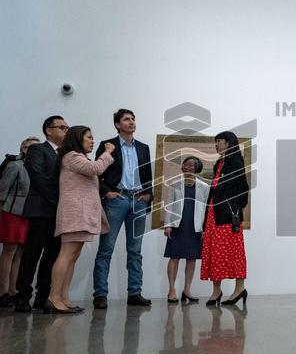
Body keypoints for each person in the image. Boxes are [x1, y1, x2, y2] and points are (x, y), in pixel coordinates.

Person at [92, 109, 154, 309]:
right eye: (127, 119)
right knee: (106, 249)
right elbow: (97, 173)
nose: (131, 122)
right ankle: (100, 294)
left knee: (135, 251)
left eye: (133, 119)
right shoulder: (107, 145)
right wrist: (106, 192)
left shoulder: (143, 147)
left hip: (138, 200)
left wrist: (148, 194)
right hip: (116, 200)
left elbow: (147, 175)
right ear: (117, 125)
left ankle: (134, 293)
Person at [50, 126, 115, 314]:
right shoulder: (72, 156)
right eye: (89, 137)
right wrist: (108, 152)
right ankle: (54, 298)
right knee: (66, 254)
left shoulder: (76, 158)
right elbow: (97, 168)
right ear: (78, 139)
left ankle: (64, 296)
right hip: (75, 213)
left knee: (73, 256)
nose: (92, 141)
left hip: (81, 214)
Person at [13, 115, 67, 312]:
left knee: (52, 256)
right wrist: (59, 199)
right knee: (32, 254)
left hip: (59, 213)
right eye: (61, 127)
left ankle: (42, 297)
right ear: (48, 130)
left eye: (67, 127)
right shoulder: (38, 150)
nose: (65, 130)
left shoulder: (66, 153)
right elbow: (38, 177)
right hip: (40, 210)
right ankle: (22, 296)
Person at [0, 136, 40, 307]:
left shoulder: (38, 168)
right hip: (12, 212)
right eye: (32, 147)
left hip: (30, 214)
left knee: (21, 253)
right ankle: (3, 292)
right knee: (9, 251)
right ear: (24, 149)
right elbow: (2, 192)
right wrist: (2, 211)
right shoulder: (15, 165)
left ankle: (13, 290)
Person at [202, 131, 250, 307]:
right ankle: (216, 291)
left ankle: (240, 289)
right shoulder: (219, 163)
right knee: (215, 252)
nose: (216, 145)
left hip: (228, 216)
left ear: (229, 143)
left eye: (219, 141)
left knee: (233, 253)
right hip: (214, 213)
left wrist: (237, 207)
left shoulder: (235, 161)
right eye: (216, 142)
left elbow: (243, 188)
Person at [163, 156, 209, 303]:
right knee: (174, 257)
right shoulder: (175, 185)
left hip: (195, 226)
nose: (187, 167)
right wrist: (168, 225)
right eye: (185, 164)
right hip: (178, 225)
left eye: (191, 165)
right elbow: (169, 205)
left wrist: (205, 227)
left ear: (197, 168)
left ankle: (187, 290)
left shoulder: (204, 187)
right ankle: (171, 290)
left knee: (191, 258)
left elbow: (207, 209)